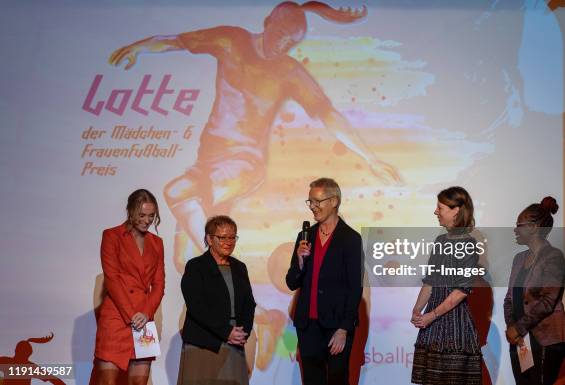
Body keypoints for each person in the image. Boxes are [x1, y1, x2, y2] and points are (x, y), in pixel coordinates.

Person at [108, 1, 401, 272]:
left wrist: (371, 158)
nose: (283, 44)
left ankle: (230, 274)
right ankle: (226, 296)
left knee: (191, 198)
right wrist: (140, 46)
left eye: (292, 41)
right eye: (282, 34)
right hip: (208, 160)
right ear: (267, 22)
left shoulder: (288, 71)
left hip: (244, 162)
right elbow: (178, 40)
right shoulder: (231, 40)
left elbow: (329, 115)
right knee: (182, 250)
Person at [285, 177, 363, 385]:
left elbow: (355, 287)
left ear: (334, 201)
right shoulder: (305, 236)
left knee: (337, 378)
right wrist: (300, 262)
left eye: (317, 201)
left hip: (336, 325)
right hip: (307, 326)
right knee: (311, 379)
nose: (312, 207)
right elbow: (292, 282)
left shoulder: (350, 238)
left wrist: (343, 329)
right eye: (310, 201)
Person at [411, 186, 482, 385]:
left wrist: (431, 315)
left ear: (456, 210)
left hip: (455, 329)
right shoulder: (440, 240)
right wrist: (418, 309)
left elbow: (461, 291)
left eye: (440, 208)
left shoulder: (468, 245)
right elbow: (430, 281)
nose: (436, 212)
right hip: (433, 328)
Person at [94, 189, 165, 385]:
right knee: (108, 382)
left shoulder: (157, 243)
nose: (147, 220)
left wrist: (146, 312)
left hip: (144, 319)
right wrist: (131, 313)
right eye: (141, 215)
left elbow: (159, 284)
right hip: (117, 317)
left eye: (151, 216)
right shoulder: (112, 236)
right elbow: (112, 278)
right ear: (130, 211)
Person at [178, 215, 256, 385]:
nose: (229, 242)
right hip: (204, 344)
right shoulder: (196, 266)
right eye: (222, 237)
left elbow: (249, 304)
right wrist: (225, 331)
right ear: (209, 239)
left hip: (234, 342)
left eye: (232, 237)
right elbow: (196, 306)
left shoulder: (239, 268)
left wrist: (243, 333)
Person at [504, 196, 565, 385]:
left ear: (534, 227)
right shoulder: (518, 259)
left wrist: (519, 328)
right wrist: (512, 329)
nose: (515, 229)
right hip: (519, 339)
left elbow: (549, 301)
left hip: (545, 339)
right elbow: (509, 298)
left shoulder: (553, 256)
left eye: (519, 224)